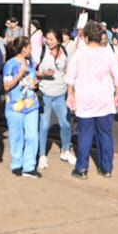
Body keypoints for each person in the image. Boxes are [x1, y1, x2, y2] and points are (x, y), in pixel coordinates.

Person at [66, 21, 118, 179]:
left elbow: (70, 77)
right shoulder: (108, 53)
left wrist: (70, 94)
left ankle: (82, 168)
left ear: (86, 37)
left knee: (84, 134)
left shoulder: (79, 53)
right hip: (105, 98)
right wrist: (117, 94)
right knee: (105, 134)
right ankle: (106, 168)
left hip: (84, 98)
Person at [1, 37, 40, 178]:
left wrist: (34, 83)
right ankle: (16, 163)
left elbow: (32, 79)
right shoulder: (10, 64)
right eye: (29, 47)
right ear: (23, 48)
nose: (31, 50)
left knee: (32, 135)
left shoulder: (31, 62)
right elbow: (6, 86)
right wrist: (19, 75)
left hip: (31, 104)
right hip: (15, 106)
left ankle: (29, 166)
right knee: (17, 136)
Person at [35, 26, 72, 170]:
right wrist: (43, 74)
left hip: (61, 94)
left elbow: (67, 70)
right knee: (44, 126)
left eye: (51, 39)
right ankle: (42, 155)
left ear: (58, 40)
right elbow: (32, 71)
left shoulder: (65, 52)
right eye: (47, 38)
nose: (48, 41)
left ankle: (65, 150)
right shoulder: (41, 51)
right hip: (45, 94)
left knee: (66, 124)